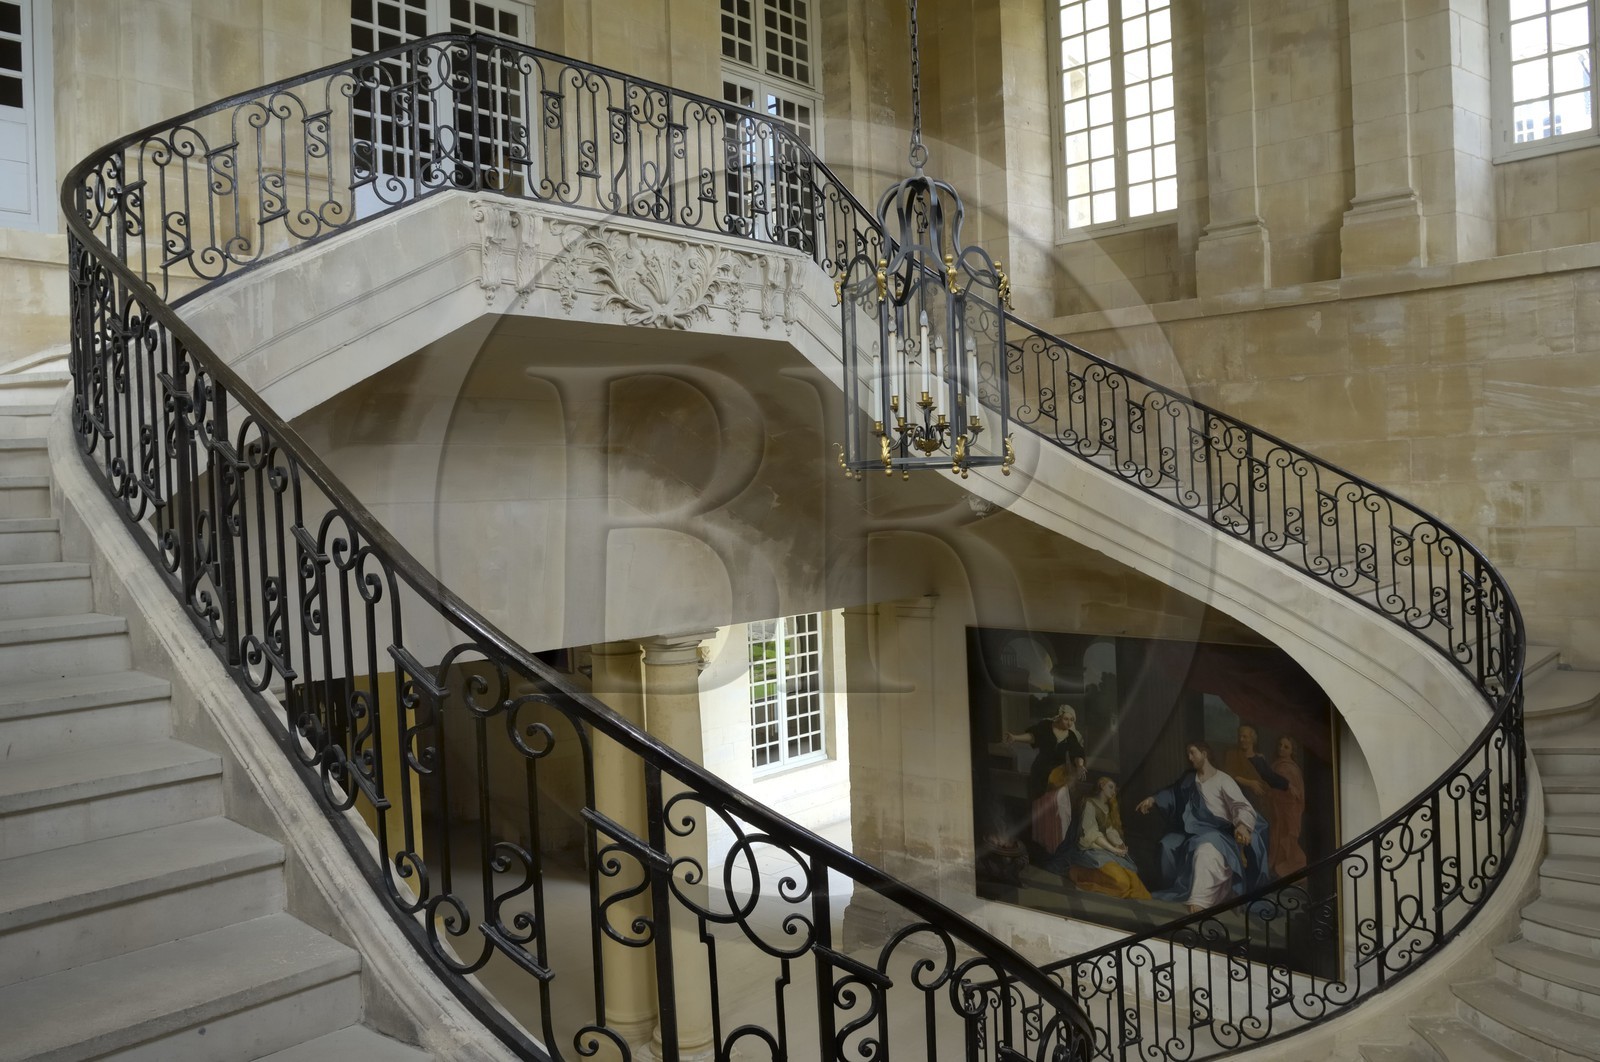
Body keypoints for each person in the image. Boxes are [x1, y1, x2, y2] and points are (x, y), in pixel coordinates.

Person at [1135, 742, 1271, 912]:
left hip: (1219, 834)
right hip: (1191, 832)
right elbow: (1172, 793)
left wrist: (1243, 826)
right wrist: (1153, 799)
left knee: (1205, 851)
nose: (1189, 758)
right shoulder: (1189, 779)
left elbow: (1241, 806)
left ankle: (1201, 901)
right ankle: (1178, 888)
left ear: (1204, 753)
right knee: (1167, 844)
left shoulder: (1223, 780)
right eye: (1188, 754)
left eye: (1192, 753)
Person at [1006, 703, 1087, 863]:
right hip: (1040, 773)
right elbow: (1032, 737)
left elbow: (1078, 752)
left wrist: (1080, 765)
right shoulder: (1045, 727)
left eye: (1072, 720)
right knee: (1040, 807)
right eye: (1066, 719)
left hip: (1058, 775)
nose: (1069, 723)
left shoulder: (1070, 736)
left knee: (1059, 806)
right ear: (1058, 717)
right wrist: (1015, 737)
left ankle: (1056, 845)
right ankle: (1041, 844)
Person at [1067, 776, 1152, 899]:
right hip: (1091, 849)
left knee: (1134, 881)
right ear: (1101, 786)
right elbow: (1091, 833)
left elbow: (1109, 830)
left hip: (1105, 850)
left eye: (1115, 789)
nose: (1114, 791)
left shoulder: (1108, 807)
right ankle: (1079, 873)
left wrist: (1118, 844)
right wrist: (1113, 849)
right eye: (1110, 787)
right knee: (1122, 883)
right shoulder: (1089, 804)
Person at [1264, 735, 1308, 877]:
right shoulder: (1277, 764)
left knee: (1287, 840)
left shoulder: (1291, 768)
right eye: (1280, 745)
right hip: (1278, 810)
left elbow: (1295, 794)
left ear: (1291, 751)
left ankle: (1291, 871)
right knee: (1277, 838)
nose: (1281, 748)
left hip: (1289, 811)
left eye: (1286, 747)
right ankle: (1278, 871)